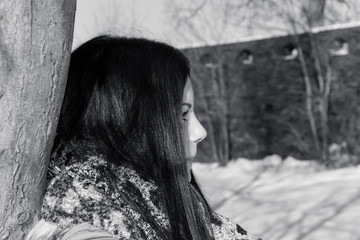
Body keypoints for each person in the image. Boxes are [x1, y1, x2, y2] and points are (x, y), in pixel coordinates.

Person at [40, 35, 261, 240]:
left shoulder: (161, 204)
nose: (200, 132)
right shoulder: (83, 207)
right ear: (122, 121)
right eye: (182, 114)